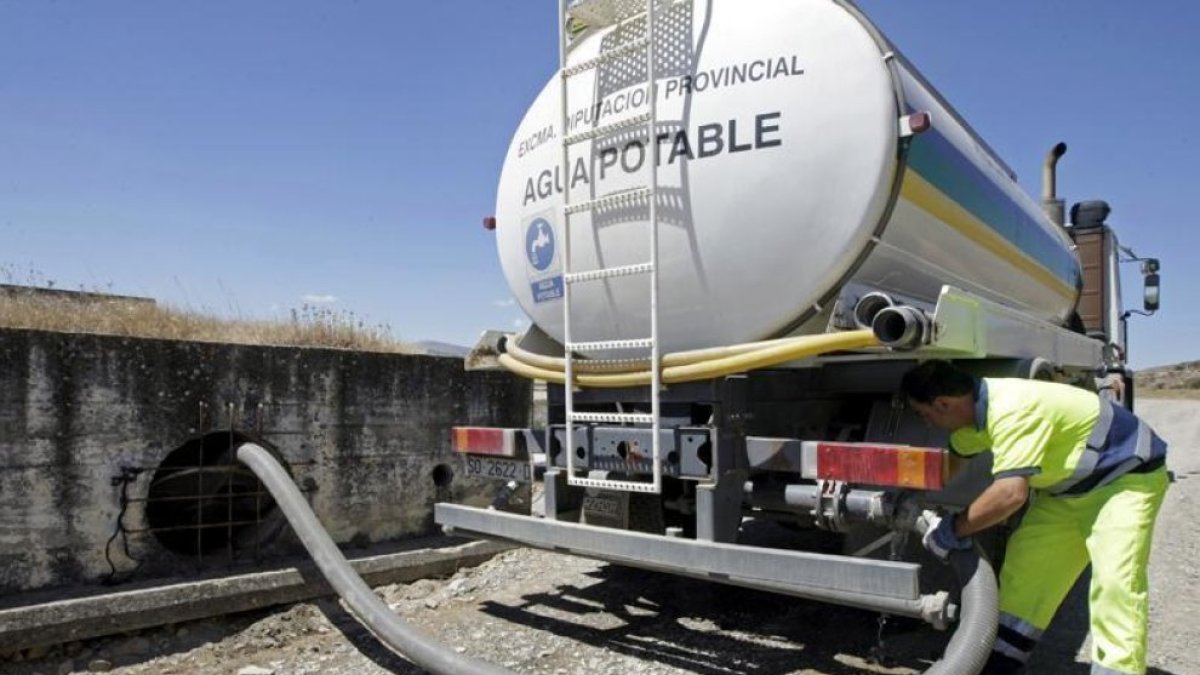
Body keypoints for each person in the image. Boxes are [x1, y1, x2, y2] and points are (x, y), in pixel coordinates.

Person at [900, 360, 1168, 675]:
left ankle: (1117, 670)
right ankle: (998, 661)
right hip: (1065, 492)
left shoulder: (1012, 409)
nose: (927, 422)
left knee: (1115, 584)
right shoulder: (973, 415)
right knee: (1025, 575)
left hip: (1125, 482)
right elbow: (951, 464)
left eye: (925, 414)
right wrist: (909, 499)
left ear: (944, 404)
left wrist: (953, 530)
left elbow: (1010, 495)